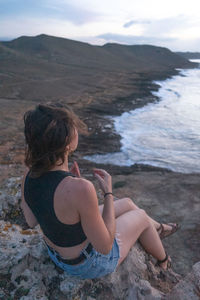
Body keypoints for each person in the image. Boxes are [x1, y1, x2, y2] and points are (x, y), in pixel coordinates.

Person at [20, 103, 179, 279]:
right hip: (87, 264)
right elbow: (105, 247)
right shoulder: (81, 189)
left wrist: (71, 186)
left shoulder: (28, 174)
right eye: (73, 128)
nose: (77, 130)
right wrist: (108, 194)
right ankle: (164, 261)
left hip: (57, 255)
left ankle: (160, 228)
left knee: (127, 203)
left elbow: (32, 220)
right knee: (140, 216)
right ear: (66, 144)